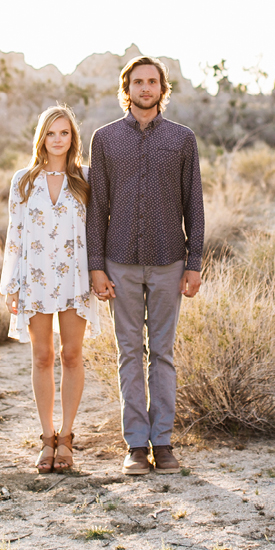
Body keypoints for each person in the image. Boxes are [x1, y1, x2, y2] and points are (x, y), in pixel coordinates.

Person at [87, 56, 204, 476]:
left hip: (170, 260)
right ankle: (136, 445)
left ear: (162, 88)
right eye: (138, 82)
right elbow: (97, 207)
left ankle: (164, 442)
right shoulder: (104, 140)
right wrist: (96, 266)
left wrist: (195, 262)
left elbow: (195, 204)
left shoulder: (182, 139)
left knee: (164, 353)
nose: (146, 88)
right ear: (127, 88)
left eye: (152, 82)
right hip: (119, 262)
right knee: (129, 353)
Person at [0, 104, 99, 474]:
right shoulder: (23, 181)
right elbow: (15, 234)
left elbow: (96, 232)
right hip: (35, 278)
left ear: (73, 138)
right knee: (42, 356)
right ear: (41, 137)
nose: (58, 140)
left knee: (72, 354)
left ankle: (68, 438)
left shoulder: (87, 178)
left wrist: (98, 274)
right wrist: (11, 283)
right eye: (51, 133)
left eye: (65, 133)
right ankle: (46, 439)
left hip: (75, 277)